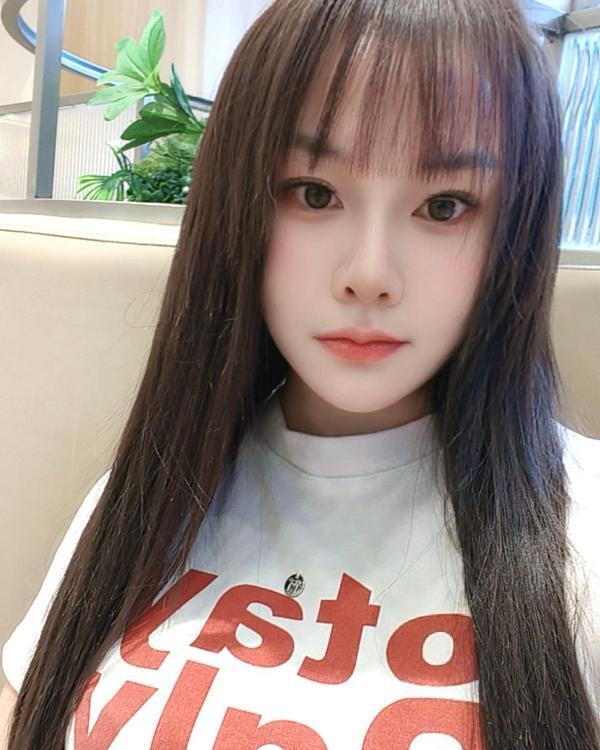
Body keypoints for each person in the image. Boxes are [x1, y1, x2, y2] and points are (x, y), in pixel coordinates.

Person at [2, 0, 599, 748]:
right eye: (315, 193)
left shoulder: (582, 529)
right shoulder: (152, 493)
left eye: (444, 206)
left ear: (513, 230)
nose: (369, 274)